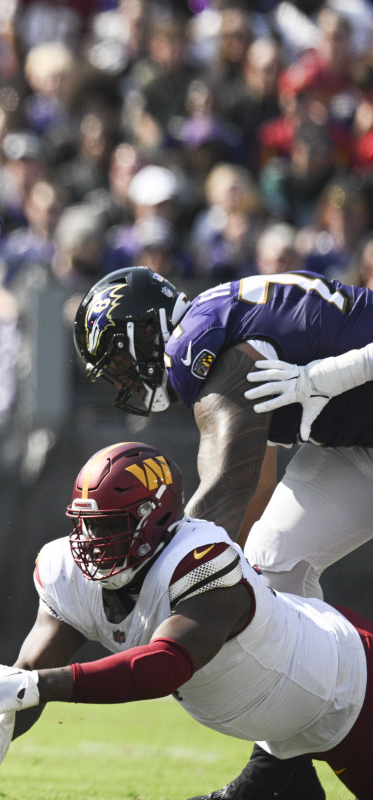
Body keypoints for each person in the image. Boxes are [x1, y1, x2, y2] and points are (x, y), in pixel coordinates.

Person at [69, 264, 373, 798]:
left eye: (117, 358)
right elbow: (252, 478)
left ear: (148, 327)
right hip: (357, 444)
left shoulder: (198, 344)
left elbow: (224, 493)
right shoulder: (219, 325)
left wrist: (158, 584)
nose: (121, 377)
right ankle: (281, 775)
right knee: (273, 566)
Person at [0, 441, 373, 800]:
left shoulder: (201, 560)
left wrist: (41, 687)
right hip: (279, 726)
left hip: (348, 693)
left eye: (110, 526)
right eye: (86, 526)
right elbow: (32, 672)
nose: (92, 544)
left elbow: (163, 668)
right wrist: (15, 706)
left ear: (157, 518)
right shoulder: (65, 568)